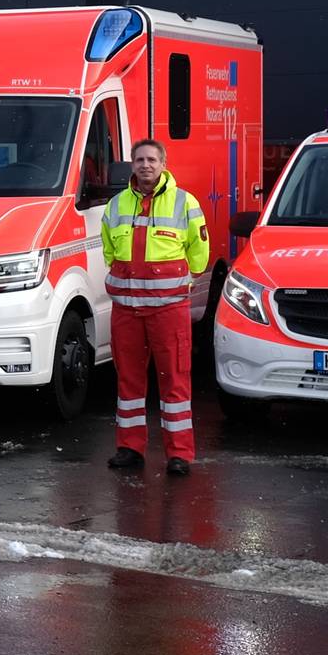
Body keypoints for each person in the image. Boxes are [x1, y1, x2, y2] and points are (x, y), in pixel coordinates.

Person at [102, 139, 208, 475]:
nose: (145, 165)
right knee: (128, 382)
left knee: (174, 380)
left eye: (151, 159)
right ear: (131, 165)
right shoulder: (116, 204)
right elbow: (108, 251)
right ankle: (129, 449)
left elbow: (199, 255)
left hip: (168, 311)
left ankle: (179, 454)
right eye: (139, 160)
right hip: (126, 311)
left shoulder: (184, 203)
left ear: (163, 163)